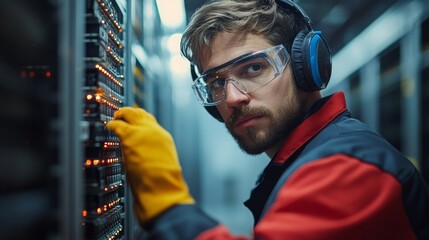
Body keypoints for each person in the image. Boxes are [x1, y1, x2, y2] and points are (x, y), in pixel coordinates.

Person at [106, 0, 429, 239]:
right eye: (216, 82)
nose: (233, 97)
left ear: (307, 65)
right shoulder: (306, 161)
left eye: (253, 68)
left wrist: (168, 205)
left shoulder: (349, 168)